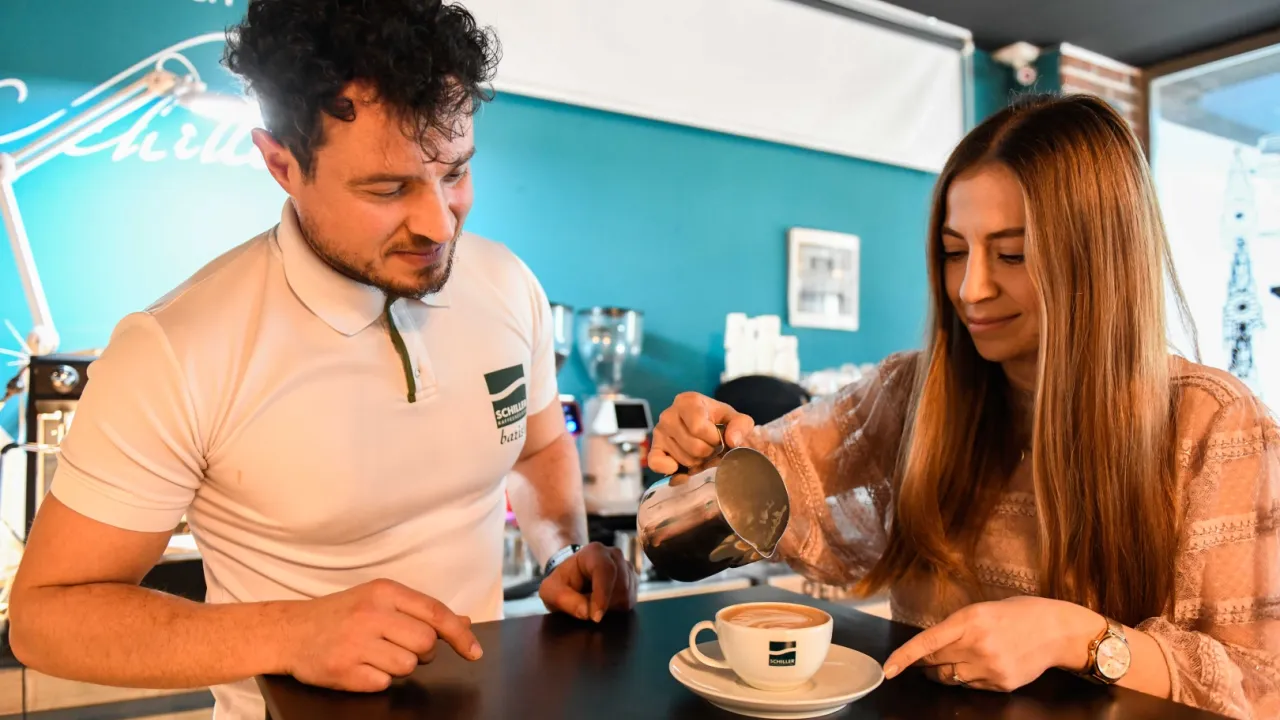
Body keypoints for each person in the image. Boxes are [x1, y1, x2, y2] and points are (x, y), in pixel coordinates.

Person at [7, 2, 636, 718]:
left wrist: (561, 553)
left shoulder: (508, 284)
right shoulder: (177, 348)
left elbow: (540, 448)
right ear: (281, 163)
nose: (438, 223)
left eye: (455, 173)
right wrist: (290, 634)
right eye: (387, 188)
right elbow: (45, 617)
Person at [648, 94, 1280, 719]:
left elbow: (1260, 685)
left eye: (1012, 255)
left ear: (1099, 262)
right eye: (954, 252)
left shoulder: (1212, 423)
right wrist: (702, 445)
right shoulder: (912, 392)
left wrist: (1075, 637)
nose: (970, 289)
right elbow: (767, 478)